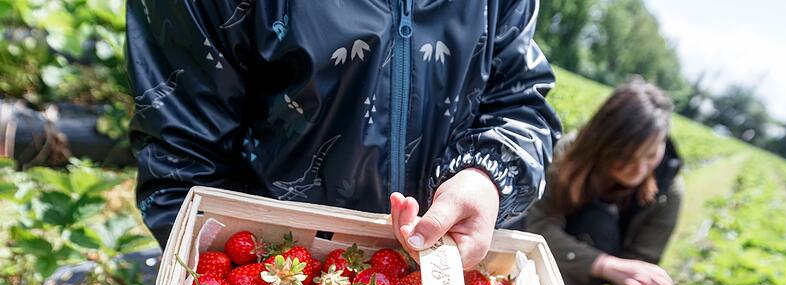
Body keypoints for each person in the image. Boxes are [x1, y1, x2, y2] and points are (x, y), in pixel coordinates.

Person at [126, 0, 562, 267]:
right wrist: (245, 279)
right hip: (276, 280)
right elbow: (182, 155)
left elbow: (520, 101)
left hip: (440, 277)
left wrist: (486, 174)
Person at [525, 79, 682, 285]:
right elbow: (538, 225)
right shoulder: (570, 153)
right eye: (626, 157)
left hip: (592, 265)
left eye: (650, 155)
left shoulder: (669, 191)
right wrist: (605, 265)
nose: (639, 169)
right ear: (602, 141)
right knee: (597, 222)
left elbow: (642, 257)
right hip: (561, 251)